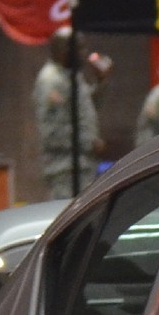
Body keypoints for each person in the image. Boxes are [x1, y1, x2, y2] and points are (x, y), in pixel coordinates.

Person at [33, 30, 103, 200]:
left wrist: (101, 82)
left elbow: (83, 109)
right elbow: (52, 133)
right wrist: (89, 142)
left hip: (81, 167)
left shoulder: (72, 76)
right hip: (65, 171)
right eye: (79, 49)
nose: (84, 54)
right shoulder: (51, 81)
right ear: (62, 50)